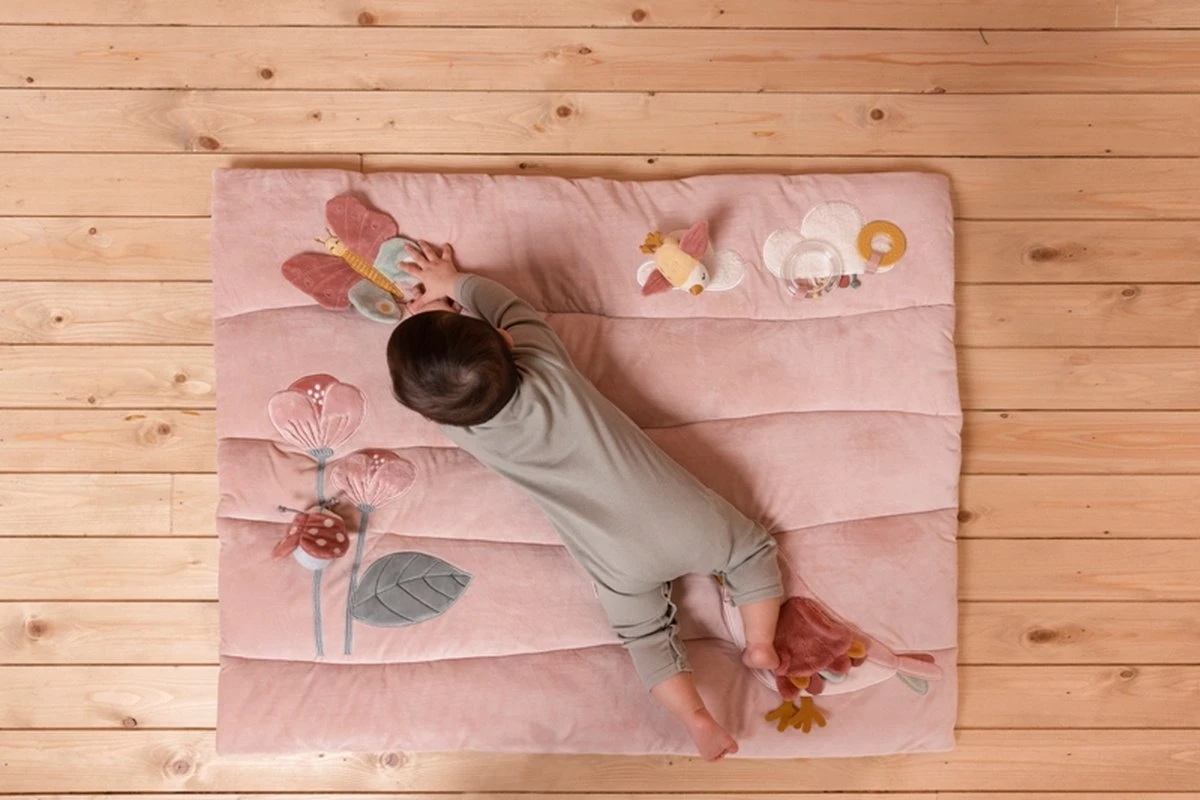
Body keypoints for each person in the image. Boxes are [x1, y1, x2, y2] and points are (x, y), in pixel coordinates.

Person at [387, 241, 783, 761]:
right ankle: (760, 643)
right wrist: (450, 285)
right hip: (683, 517)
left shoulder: (462, 432)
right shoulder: (543, 360)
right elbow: (504, 304)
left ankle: (697, 719)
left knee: (645, 636)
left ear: (432, 417)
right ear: (506, 341)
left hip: (615, 559)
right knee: (751, 552)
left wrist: (425, 339)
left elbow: (445, 390)